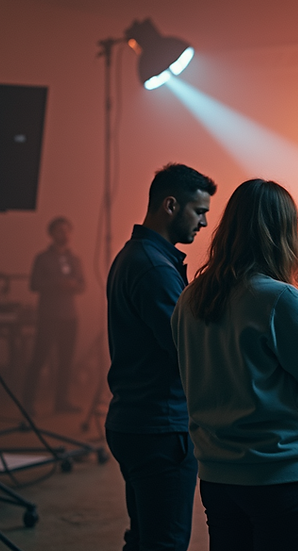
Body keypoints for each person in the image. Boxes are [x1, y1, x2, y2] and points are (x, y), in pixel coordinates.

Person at [171, 178, 298, 551]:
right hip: (278, 478)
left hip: (217, 476)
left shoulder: (189, 298)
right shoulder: (279, 299)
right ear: (282, 235)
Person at [105, 163, 216, 551]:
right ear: (170, 205)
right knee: (164, 543)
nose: (204, 222)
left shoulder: (136, 256)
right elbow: (187, 347)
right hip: (160, 427)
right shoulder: (154, 267)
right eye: (198, 211)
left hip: (136, 420)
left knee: (143, 539)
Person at [23, 216, 85, 415]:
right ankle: (28, 401)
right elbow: (34, 284)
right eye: (60, 231)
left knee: (66, 361)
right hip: (49, 316)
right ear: (51, 234)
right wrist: (57, 284)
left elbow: (83, 285)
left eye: (67, 231)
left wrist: (73, 286)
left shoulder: (75, 259)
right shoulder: (42, 258)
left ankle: (61, 401)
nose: (64, 235)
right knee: (39, 359)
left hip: (70, 317)